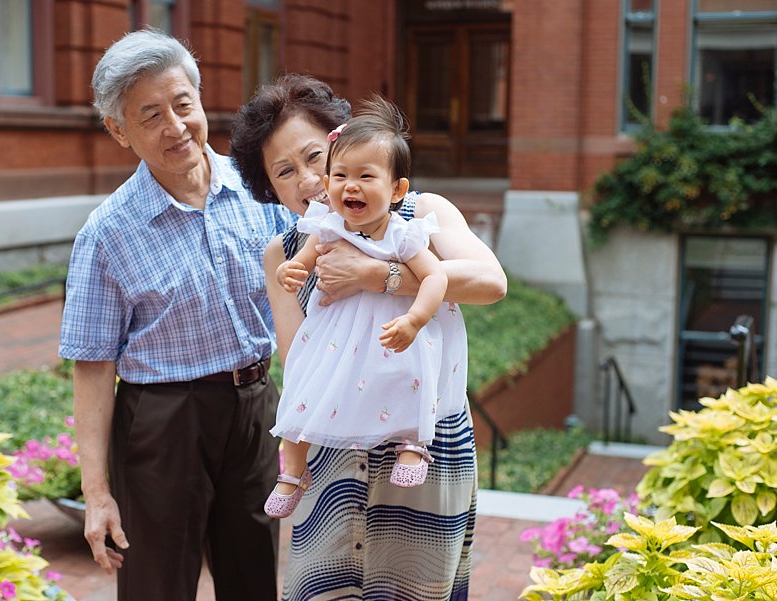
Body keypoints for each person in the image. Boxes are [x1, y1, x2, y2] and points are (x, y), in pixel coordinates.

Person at [231, 74, 507, 600]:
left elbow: (491, 283)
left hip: (421, 444)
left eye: (314, 157)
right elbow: (298, 360)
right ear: (270, 186)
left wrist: (374, 276)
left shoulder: (421, 214)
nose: (310, 181)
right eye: (284, 172)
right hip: (333, 446)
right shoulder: (286, 252)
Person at [58, 29, 293, 601]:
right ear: (120, 131)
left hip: (255, 408)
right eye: (151, 116)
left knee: (256, 579)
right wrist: (97, 495)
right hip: (163, 425)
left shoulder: (260, 190)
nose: (176, 126)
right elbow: (91, 368)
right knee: (157, 588)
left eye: (183, 104)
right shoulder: (107, 234)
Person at [266, 97, 452, 520]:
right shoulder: (326, 225)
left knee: (408, 373)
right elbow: (301, 262)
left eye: (366, 176)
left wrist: (415, 319)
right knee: (303, 382)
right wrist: (289, 273)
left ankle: (412, 443)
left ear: (397, 189)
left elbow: (436, 276)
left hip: (390, 328)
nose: (350, 186)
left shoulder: (403, 235)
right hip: (333, 332)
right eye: (341, 175)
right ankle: (293, 469)